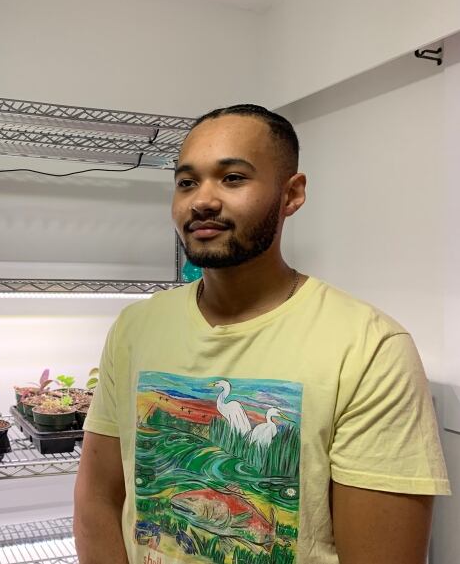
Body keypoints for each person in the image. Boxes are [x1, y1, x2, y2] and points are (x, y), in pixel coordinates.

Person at [73, 104, 451, 564]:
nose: (202, 200)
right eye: (186, 182)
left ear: (291, 194)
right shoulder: (135, 328)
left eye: (232, 178)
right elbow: (97, 499)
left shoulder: (369, 348)